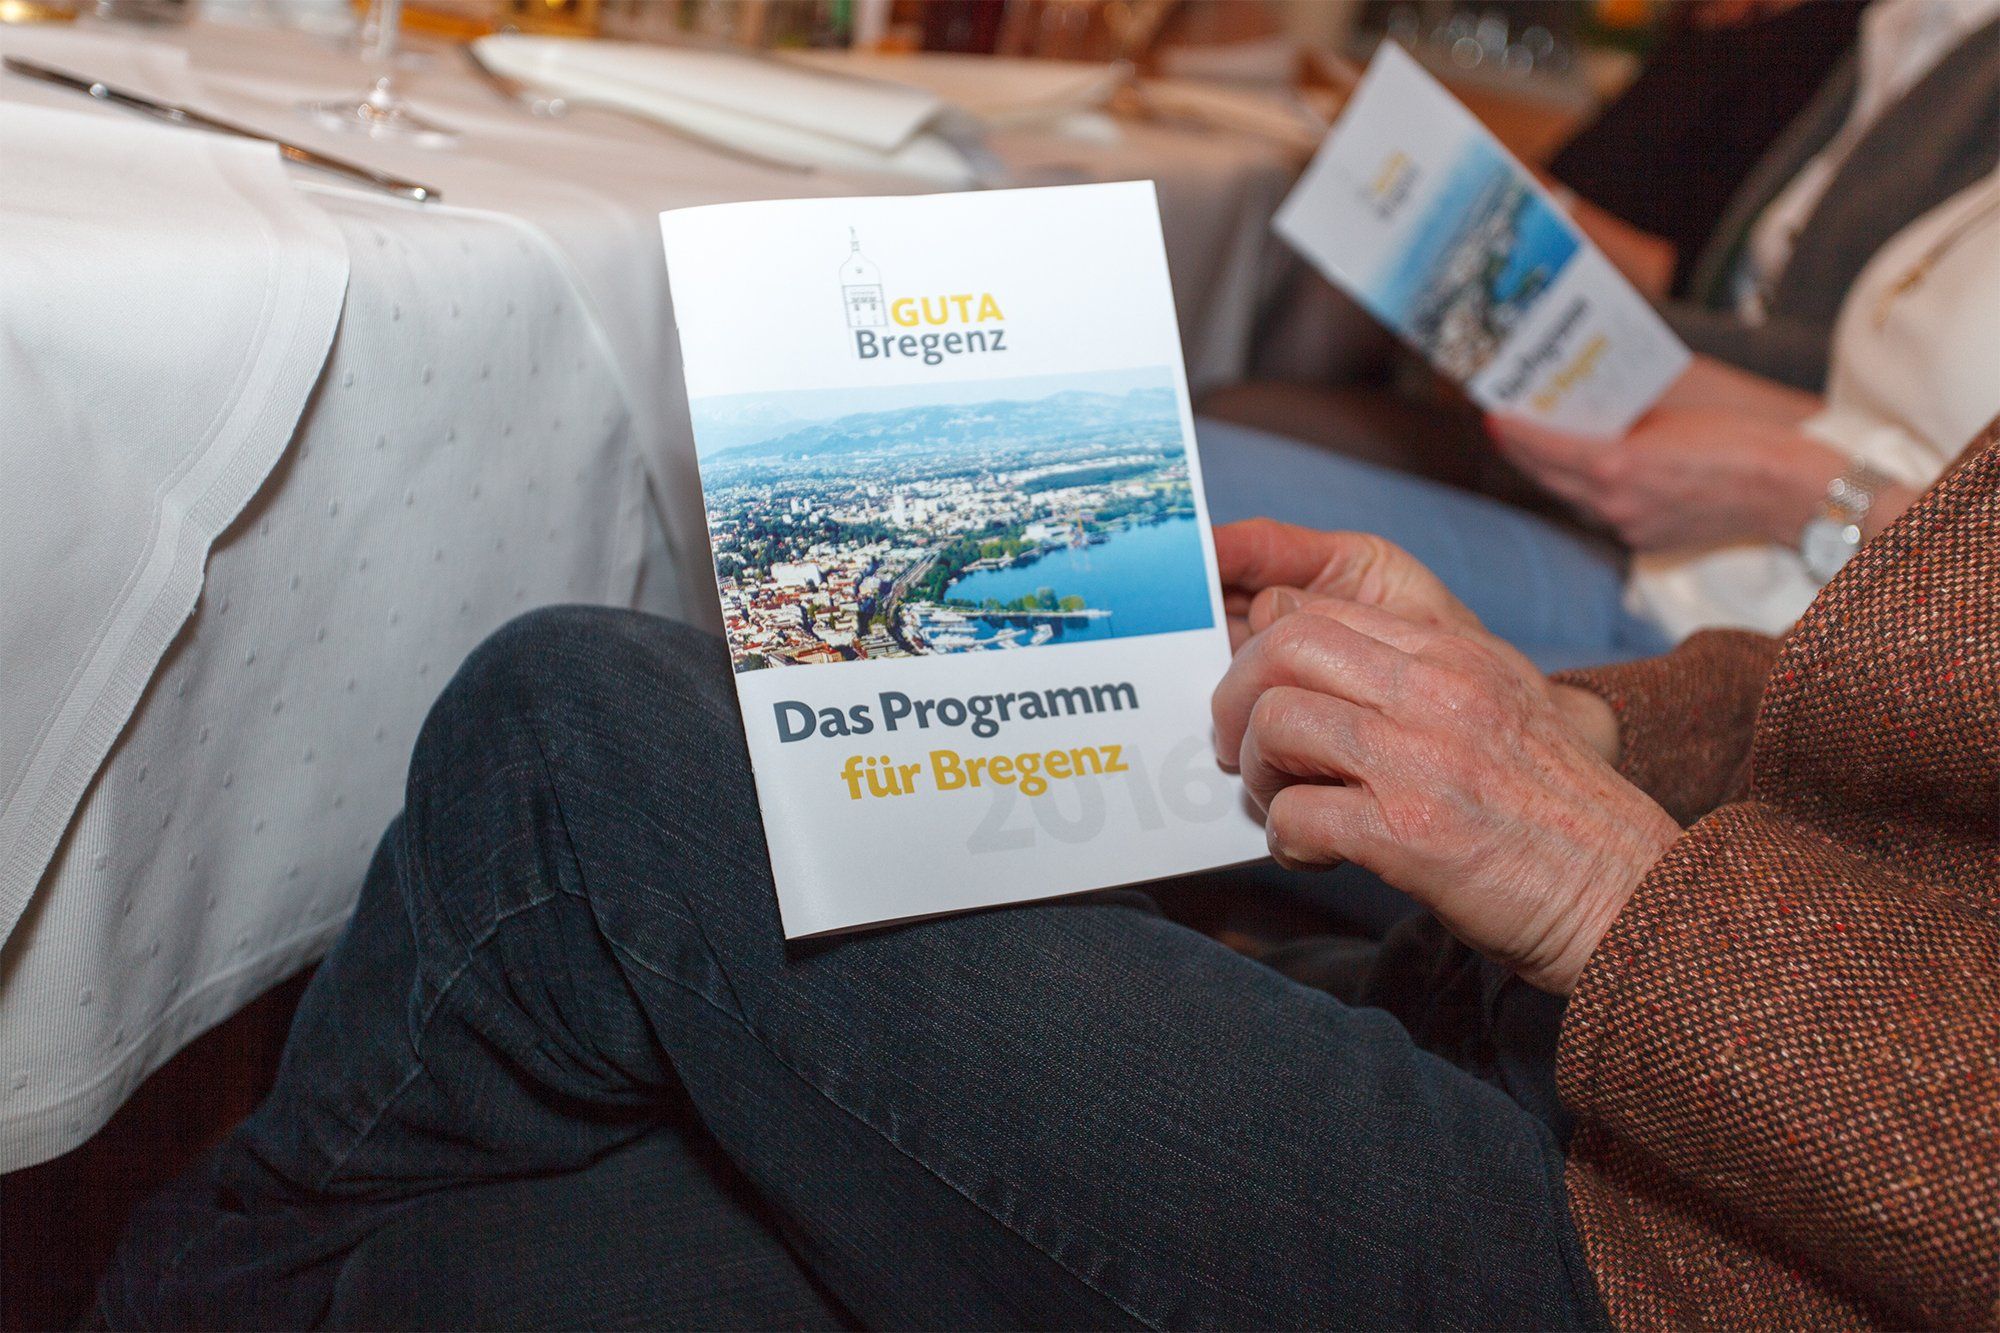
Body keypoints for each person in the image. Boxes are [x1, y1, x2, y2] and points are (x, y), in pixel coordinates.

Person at [101, 418, 1996, 1329]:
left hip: (1701, 1256)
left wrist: (1623, 901)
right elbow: (1900, 710)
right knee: (484, 1277)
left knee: (585, 731)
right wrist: (1575, 726)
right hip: (1621, 1057)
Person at [1201, 164, 2000, 655]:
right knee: (1191, 472)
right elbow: (1872, 415)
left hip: (1774, 668)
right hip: (1681, 576)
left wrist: (1781, 487)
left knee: (1214, 618)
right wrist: (1580, 356)